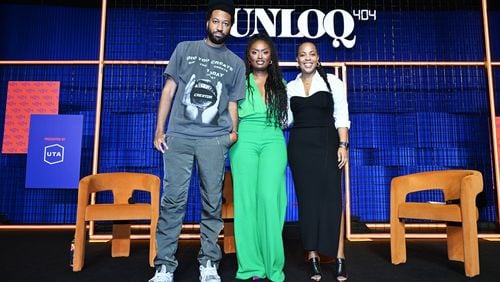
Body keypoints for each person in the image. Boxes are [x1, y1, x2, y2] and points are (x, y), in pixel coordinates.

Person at [149, 1, 245, 281]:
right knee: (173, 201)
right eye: (216, 21)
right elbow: (169, 91)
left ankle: (209, 263)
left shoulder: (235, 63)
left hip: (214, 141)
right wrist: (159, 129)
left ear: (230, 27)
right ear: (207, 23)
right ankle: (164, 265)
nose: (220, 27)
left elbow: (232, 106)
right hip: (179, 138)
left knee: (212, 202)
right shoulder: (184, 49)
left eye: (226, 23)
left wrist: (232, 134)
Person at [286, 41, 350, 282]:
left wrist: (342, 145)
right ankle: (312, 257)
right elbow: (286, 120)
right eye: (303, 55)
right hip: (300, 148)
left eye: (312, 54)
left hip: (327, 145)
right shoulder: (291, 86)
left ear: (318, 57)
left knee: (333, 200)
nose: (307, 58)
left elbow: (342, 115)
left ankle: (340, 257)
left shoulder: (333, 82)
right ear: (297, 59)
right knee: (308, 202)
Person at [229, 32, 288, 281]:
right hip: (244, 139)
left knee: (269, 197)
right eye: (255, 52)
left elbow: (286, 119)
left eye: (265, 52)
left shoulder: (281, 84)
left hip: (273, 138)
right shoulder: (239, 81)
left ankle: (272, 264)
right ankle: (252, 266)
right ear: (249, 57)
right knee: (245, 201)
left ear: (271, 56)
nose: (260, 56)